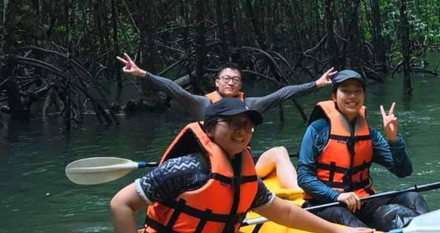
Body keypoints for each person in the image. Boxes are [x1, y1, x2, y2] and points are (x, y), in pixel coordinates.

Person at [110, 97, 389, 233]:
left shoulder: (243, 174)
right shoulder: (185, 168)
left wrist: (336, 231)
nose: (241, 132)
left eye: (246, 125)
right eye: (232, 124)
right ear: (209, 128)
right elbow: (121, 203)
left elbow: (284, 212)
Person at [117, 52, 336, 189]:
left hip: (242, 164)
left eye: (236, 80)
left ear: (240, 85)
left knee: (279, 151)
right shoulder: (201, 104)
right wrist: (143, 74)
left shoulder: (252, 104)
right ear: (216, 82)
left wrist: (316, 84)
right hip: (210, 168)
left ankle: (297, 195)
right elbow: (172, 88)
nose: (231, 82)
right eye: (226, 79)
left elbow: (283, 93)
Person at [297, 69, 429, 231]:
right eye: (345, 91)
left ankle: (428, 232)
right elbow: (304, 178)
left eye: (357, 91)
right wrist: (337, 196)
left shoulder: (370, 134)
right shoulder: (318, 130)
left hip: (362, 200)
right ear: (333, 96)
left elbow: (403, 171)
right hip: (325, 203)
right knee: (340, 215)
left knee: (412, 197)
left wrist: (393, 139)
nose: (352, 96)